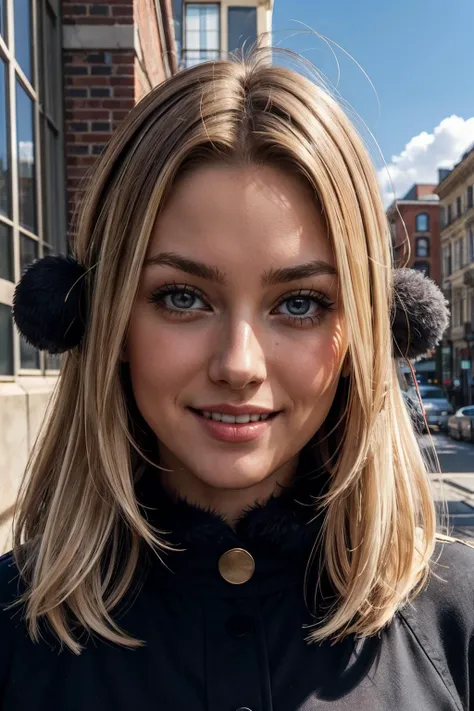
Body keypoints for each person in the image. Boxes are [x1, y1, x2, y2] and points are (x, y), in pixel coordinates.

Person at [0, 46, 471, 711]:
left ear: (367, 331)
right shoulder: (12, 634)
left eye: (300, 303)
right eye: (183, 296)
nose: (239, 364)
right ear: (99, 318)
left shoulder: (458, 621)